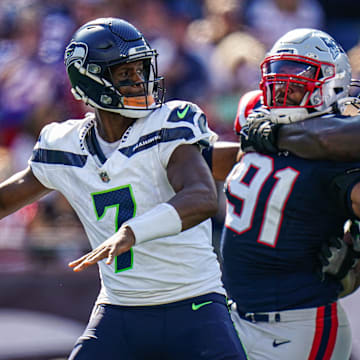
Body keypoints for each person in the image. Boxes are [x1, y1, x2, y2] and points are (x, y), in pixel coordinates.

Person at [0, 18, 248, 360]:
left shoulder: (170, 122)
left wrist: (133, 232)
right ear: (90, 81)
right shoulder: (64, 145)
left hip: (194, 303)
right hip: (120, 309)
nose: (140, 80)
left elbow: (202, 197)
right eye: (125, 73)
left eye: (141, 69)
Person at [218, 28, 360, 360]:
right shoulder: (255, 115)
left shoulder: (341, 154)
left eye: (297, 81)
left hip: (300, 325)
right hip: (238, 317)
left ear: (332, 83)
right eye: (278, 77)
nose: (283, 89)